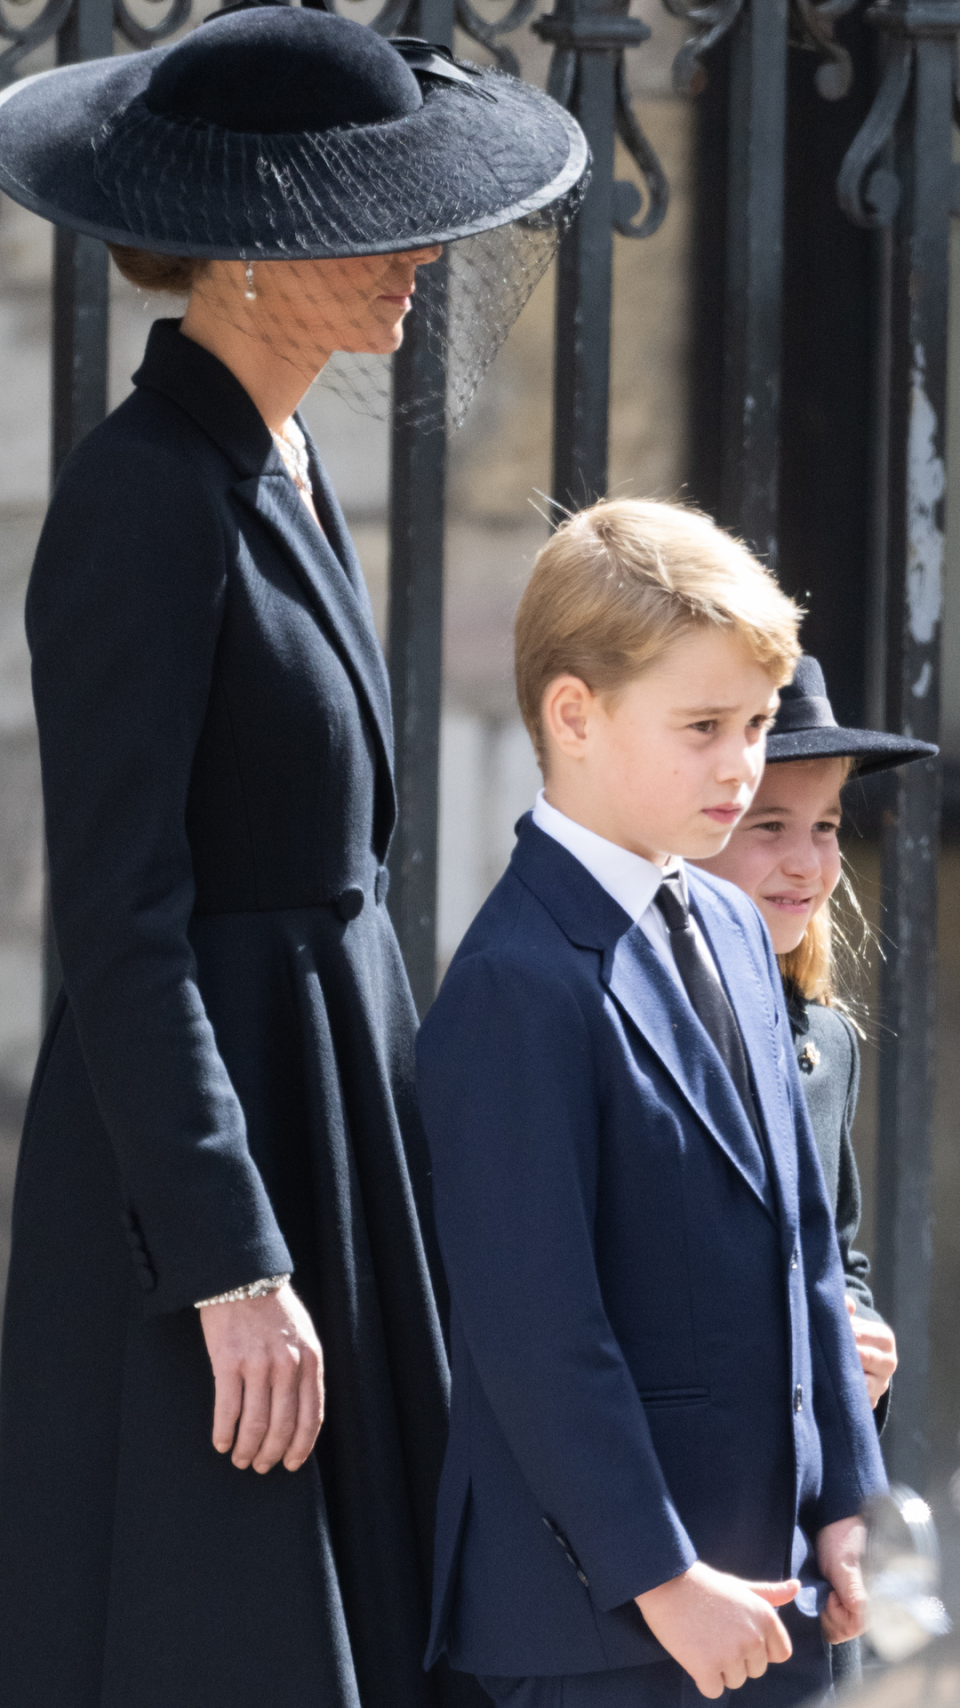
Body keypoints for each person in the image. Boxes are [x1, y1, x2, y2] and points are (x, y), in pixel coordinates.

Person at [0, 9, 586, 1707]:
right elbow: (118, 916)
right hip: (211, 1172)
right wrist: (228, 1253)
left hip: (326, 1113)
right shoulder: (142, 494)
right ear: (249, 255)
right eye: (367, 218)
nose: (419, 258)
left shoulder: (286, 457)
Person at [415, 500, 888, 1708]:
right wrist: (664, 1577)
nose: (742, 763)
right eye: (703, 728)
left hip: (772, 1599)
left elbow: (808, 1253)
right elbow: (538, 1336)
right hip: (602, 1628)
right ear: (574, 714)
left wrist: (842, 1502)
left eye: (758, 724)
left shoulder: (733, 924)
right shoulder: (514, 983)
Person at [695, 651, 936, 1687]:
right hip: (681, 1538)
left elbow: (841, 1259)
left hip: (796, 1544)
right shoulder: (632, 1024)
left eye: (827, 826)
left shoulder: (824, 1041)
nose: (808, 862)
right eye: (770, 826)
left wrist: (862, 1356)